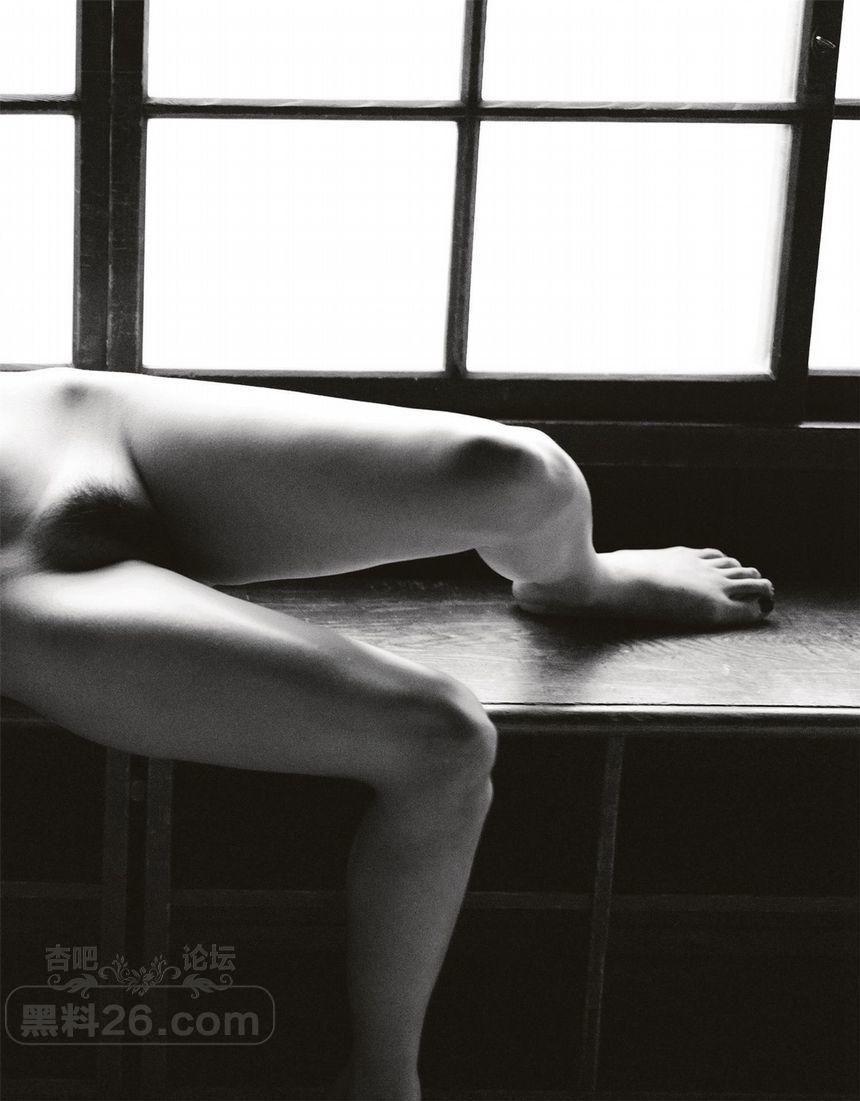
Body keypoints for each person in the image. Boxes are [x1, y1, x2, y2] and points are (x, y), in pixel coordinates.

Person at [0, 365, 773, 1100]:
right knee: (446, 737)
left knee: (524, 473)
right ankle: (382, 1075)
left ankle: (580, 583)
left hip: (58, 419)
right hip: (19, 580)